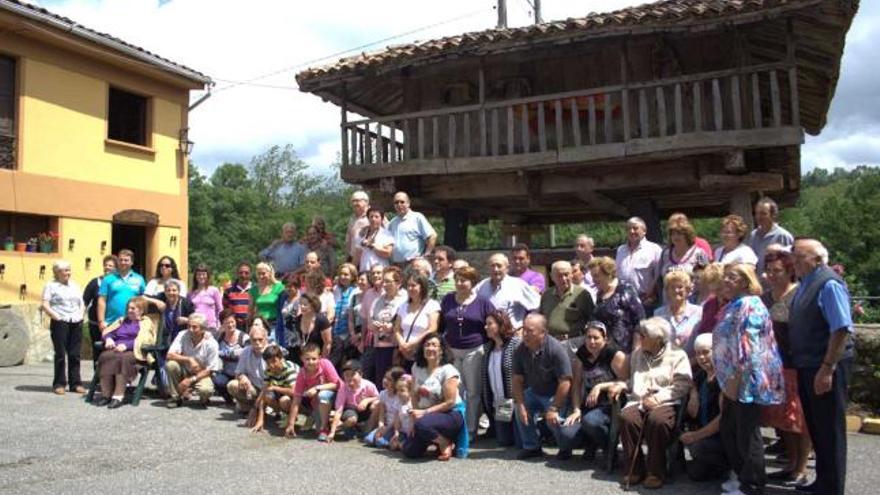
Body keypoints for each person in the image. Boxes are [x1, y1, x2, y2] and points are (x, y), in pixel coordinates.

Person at [789, 239, 854, 495]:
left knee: (830, 429)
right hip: (809, 365)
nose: (793, 260)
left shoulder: (828, 284)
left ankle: (833, 488)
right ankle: (823, 483)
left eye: (798, 256)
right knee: (817, 427)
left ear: (817, 259)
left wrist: (827, 368)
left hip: (824, 366)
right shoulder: (806, 283)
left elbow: (840, 328)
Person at [713, 263, 784, 495]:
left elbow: (749, 347)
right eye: (725, 276)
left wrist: (735, 380)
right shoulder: (734, 304)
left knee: (746, 432)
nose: (726, 280)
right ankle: (743, 477)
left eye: (732, 277)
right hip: (733, 380)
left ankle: (753, 485)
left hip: (746, 381)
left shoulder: (750, 305)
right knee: (730, 429)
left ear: (745, 281)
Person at [616, 317, 692, 489]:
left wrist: (659, 398)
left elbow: (683, 384)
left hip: (666, 401)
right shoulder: (637, 354)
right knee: (627, 418)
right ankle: (635, 469)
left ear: (657, 339)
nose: (639, 338)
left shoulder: (678, 355)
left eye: (644, 336)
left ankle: (656, 471)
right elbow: (632, 382)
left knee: (657, 421)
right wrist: (619, 385)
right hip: (639, 400)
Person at [761, 250, 810, 486]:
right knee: (783, 421)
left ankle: (801, 468)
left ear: (790, 270)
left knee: (799, 420)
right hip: (774, 366)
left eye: (777, 271)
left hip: (797, 365)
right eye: (769, 271)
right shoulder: (765, 297)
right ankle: (790, 464)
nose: (772, 275)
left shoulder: (799, 295)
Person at [555, 321, 626, 460]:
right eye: (588, 337)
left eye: (596, 338)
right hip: (589, 404)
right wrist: (576, 409)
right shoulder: (582, 354)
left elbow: (627, 382)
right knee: (566, 434)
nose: (592, 342)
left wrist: (600, 386)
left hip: (612, 404)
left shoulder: (615, 355)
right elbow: (576, 384)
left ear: (605, 339)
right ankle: (590, 444)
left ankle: (609, 449)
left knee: (590, 421)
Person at [440, 266, 495, 436]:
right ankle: (456, 426)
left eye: (463, 280)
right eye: (457, 280)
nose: (459, 283)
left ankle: (470, 429)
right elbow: (443, 323)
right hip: (453, 351)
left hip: (474, 350)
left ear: (473, 282)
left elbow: (493, 321)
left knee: (472, 392)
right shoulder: (448, 299)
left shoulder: (482, 301)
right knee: (456, 391)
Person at [511, 314, 573, 460]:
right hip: (535, 391)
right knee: (520, 407)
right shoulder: (521, 350)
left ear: (543, 333)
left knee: (554, 420)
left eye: (530, 331)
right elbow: (517, 380)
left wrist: (553, 408)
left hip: (556, 394)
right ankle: (532, 446)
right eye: (523, 329)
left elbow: (565, 382)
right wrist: (520, 404)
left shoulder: (556, 350)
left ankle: (565, 448)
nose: (525, 334)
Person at [403, 334, 467, 460]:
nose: (430, 348)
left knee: (422, 424)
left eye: (434, 345)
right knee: (409, 451)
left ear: (441, 350)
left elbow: (450, 402)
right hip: (426, 416)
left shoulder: (448, 370)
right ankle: (433, 439)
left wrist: (424, 413)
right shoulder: (416, 367)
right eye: (427, 345)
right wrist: (413, 418)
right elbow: (414, 394)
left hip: (450, 414)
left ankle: (444, 442)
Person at [680, 333, 728, 482]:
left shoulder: (724, 378)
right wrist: (694, 394)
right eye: (698, 353)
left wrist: (696, 435)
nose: (701, 358)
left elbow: (723, 419)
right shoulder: (702, 375)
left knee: (697, 447)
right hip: (705, 432)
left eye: (706, 352)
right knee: (695, 474)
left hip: (723, 437)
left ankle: (729, 467)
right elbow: (691, 383)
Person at [95, 297, 157, 408]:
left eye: (133, 308)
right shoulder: (122, 320)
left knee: (123, 359)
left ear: (141, 310)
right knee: (105, 357)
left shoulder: (145, 323)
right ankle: (106, 395)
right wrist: (109, 339)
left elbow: (145, 340)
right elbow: (108, 332)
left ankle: (118, 396)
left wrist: (127, 345)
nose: (129, 310)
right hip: (116, 349)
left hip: (135, 352)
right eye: (128, 308)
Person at [42, 260, 85, 395]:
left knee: (75, 354)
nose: (68, 273)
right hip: (60, 321)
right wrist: (56, 317)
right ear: (57, 272)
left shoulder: (75, 286)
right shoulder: (51, 286)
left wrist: (81, 315)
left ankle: (75, 383)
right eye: (65, 270)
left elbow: (81, 302)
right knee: (60, 354)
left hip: (76, 321)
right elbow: (45, 304)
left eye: (69, 270)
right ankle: (59, 384)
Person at [481, 310, 522, 447]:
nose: (486, 327)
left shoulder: (516, 344)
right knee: (504, 441)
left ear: (500, 325)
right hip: (501, 403)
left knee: (520, 442)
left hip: (517, 401)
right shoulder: (488, 349)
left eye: (489, 324)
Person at [284, 343, 341, 442]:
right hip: (318, 404)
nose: (311, 362)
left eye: (314, 359)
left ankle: (325, 429)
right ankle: (331, 422)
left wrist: (317, 388)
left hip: (336, 398)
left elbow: (337, 385)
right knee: (317, 429)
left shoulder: (325, 364)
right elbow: (296, 399)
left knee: (322, 394)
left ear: (319, 358)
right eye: (307, 359)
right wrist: (291, 424)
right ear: (302, 359)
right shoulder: (302, 374)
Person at [588, 256, 645, 353]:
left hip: (625, 349)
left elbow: (640, 320)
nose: (593, 280)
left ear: (608, 274)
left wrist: (636, 349)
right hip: (605, 350)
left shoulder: (625, 290)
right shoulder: (600, 294)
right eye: (592, 276)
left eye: (596, 275)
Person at [165, 313, 221, 408]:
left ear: (203, 329)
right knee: (171, 365)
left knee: (206, 390)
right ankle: (175, 398)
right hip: (185, 369)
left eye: (195, 327)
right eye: (189, 326)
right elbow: (169, 355)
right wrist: (189, 359)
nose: (190, 329)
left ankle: (203, 398)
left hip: (201, 373)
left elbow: (211, 370)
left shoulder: (212, 344)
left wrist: (191, 380)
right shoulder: (182, 334)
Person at [475, 253, 539, 330]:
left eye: (499, 266)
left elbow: (537, 306)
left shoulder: (518, 285)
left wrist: (525, 327)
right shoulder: (481, 286)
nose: (495, 269)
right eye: (492, 266)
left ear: (507, 268)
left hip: (513, 335)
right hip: (488, 335)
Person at [367, 266, 407, 384]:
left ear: (398, 283)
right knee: (383, 381)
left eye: (388, 282)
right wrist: (374, 325)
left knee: (397, 381)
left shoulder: (405, 299)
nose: (384, 284)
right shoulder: (378, 300)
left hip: (397, 348)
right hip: (380, 346)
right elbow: (370, 322)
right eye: (384, 281)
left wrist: (393, 327)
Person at [248, 344, 299, 433]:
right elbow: (263, 392)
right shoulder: (269, 371)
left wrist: (275, 388)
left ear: (281, 358)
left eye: (274, 361)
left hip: (301, 398)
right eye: (268, 363)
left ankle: (294, 417)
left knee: (284, 400)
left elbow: (295, 392)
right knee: (266, 396)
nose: (271, 365)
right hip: (284, 394)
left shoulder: (289, 369)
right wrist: (255, 410)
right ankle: (282, 416)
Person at [539, 260, 594, 342]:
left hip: (574, 342)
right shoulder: (547, 295)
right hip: (550, 341)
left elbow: (592, 320)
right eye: (559, 275)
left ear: (571, 274)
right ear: (552, 277)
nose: (563, 279)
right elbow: (541, 317)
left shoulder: (582, 294)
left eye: (566, 274)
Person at [394, 274, 441, 369]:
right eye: (408, 285)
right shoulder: (403, 306)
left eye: (414, 285)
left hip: (422, 352)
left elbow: (432, 328)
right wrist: (402, 344)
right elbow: (397, 329)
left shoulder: (432, 305)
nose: (410, 288)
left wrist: (413, 344)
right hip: (404, 352)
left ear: (422, 287)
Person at [615, 217, 662, 308]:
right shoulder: (620, 250)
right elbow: (616, 274)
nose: (632, 231)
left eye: (635, 228)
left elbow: (658, 276)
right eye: (628, 229)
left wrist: (651, 294)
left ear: (644, 231)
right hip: (623, 300)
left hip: (645, 300)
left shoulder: (654, 249)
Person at [328, 360, 379, 441]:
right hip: (350, 411)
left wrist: (367, 400)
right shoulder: (343, 388)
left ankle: (367, 429)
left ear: (361, 375)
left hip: (364, 411)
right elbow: (339, 411)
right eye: (346, 375)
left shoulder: (369, 385)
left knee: (376, 404)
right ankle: (341, 428)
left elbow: (379, 397)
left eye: (353, 374)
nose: (349, 378)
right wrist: (332, 432)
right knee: (351, 421)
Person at [654, 271, 703, 356]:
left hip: (694, 363)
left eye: (680, 287)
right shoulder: (658, 314)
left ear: (687, 290)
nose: (676, 290)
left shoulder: (699, 312)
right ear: (667, 291)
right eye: (672, 287)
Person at [97, 249, 146, 331]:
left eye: (126, 260)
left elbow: (143, 300)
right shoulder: (108, 279)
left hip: (132, 323)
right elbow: (102, 301)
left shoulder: (139, 279)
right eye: (121, 260)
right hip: (111, 323)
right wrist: (101, 321)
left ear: (132, 262)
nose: (123, 262)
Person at [227, 322, 270, 415]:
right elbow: (238, 372)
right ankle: (248, 406)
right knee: (232, 385)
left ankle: (263, 408)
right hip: (253, 387)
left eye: (260, 339)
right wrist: (243, 378)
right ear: (250, 340)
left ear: (266, 339)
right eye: (254, 340)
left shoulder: (272, 352)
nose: (257, 343)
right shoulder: (246, 351)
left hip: (270, 390)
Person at [83, 255, 117, 363]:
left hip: (113, 323)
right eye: (106, 265)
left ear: (116, 268)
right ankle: (97, 377)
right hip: (96, 323)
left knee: (112, 349)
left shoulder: (118, 283)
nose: (107, 267)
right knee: (98, 349)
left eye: (110, 266)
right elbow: (85, 301)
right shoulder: (95, 282)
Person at [658, 217, 710, 289]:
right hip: (668, 298)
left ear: (687, 235)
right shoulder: (665, 253)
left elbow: (707, 276)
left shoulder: (700, 253)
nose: (676, 237)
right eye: (673, 234)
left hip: (692, 298)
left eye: (679, 234)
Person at [387, 191, 437, 265]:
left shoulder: (417, 217)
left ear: (408, 203)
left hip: (413, 264)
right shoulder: (392, 222)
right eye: (396, 202)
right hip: (396, 264)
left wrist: (426, 255)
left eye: (402, 202)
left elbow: (432, 236)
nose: (399, 204)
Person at [748, 197, 794, 274]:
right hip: (758, 283)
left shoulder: (783, 236)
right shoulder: (753, 235)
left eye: (763, 214)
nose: (759, 217)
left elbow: (791, 262)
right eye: (757, 213)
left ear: (773, 215)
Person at [364, 366, 407, 448]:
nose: (385, 381)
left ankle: (399, 440)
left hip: (396, 427)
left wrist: (386, 429)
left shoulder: (399, 397)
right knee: (368, 440)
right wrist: (381, 425)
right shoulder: (383, 394)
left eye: (389, 380)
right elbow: (382, 413)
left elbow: (397, 417)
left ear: (396, 382)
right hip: (386, 425)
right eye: (385, 377)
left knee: (380, 443)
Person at [213, 309, 250, 404]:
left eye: (232, 322)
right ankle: (228, 398)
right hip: (226, 372)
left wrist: (223, 353)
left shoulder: (244, 337)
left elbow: (246, 352)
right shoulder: (219, 337)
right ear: (222, 324)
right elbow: (212, 351)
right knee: (217, 380)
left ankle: (243, 400)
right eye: (226, 323)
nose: (230, 325)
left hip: (242, 373)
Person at [359, 265, 386, 382]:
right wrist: (361, 341)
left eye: (379, 273)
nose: (376, 275)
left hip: (385, 339)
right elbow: (364, 319)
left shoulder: (390, 292)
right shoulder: (368, 293)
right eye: (373, 273)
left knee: (382, 374)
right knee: (364, 372)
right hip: (370, 339)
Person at [149, 280, 194, 346]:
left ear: (179, 292)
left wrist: (187, 320)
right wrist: (156, 301)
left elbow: (197, 320)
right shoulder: (161, 298)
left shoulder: (186, 303)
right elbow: (142, 298)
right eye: (168, 290)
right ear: (165, 292)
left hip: (182, 339)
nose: (171, 293)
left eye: (174, 290)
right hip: (163, 340)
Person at [331, 263, 358, 364]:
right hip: (335, 331)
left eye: (346, 275)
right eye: (341, 274)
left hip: (348, 332)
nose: (343, 277)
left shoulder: (356, 291)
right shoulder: (335, 290)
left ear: (352, 277)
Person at [249, 262, 285, 335]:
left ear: (270, 273)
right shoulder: (253, 290)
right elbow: (250, 310)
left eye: (263, 273)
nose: (261, 276)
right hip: (260, 324)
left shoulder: (279, 287)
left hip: (275, 323)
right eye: (258, 273)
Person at [354, 206, 393, 273]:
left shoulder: (387, 234)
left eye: (376, 217)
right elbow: (357, 255)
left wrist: (372, 246)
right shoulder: (361, 234)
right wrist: (352, 270)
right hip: (364, 271)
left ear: (382, 218)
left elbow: (388, 253)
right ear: (368, 218)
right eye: (371, 216)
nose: (373, 219)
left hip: (380, 272)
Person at [189, 264, 223, 336]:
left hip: (211, 327)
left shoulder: (214, 290)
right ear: (195, 276)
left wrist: (219, 325)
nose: (201, 277)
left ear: (207, 276)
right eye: (199, 274)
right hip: (196, 327)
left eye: (204, 274)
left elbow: (220, 309)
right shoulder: (190, 293)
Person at [694, 262, 727, 336]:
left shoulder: (734, 304)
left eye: (719, 289)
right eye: (713, 290)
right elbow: (702, 331)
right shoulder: (708, 305)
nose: (718, 294)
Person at [223, 261, 253, 329]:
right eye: (241, 273)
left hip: (252, 325)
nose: (243, 275)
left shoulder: (255, 289)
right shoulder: (229, 290)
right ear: (237, 274)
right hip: (234, 326)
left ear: (250, 274)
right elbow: (225, 309)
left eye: (246, 273)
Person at [390, 375, 416, 451]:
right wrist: (396, 432)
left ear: (410, 391)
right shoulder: (398, 402)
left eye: (402, 390)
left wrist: (410, 433)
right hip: (403, 431)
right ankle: (401, 443)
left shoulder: (412, 403)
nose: (398, 393)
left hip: (411, 432)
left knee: (405, 447)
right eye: (397, 390)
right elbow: (397, 419)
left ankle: (405, 444)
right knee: (392, 446)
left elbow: (413, 419)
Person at [345, 190, 371, 261]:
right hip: (352, 257)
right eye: (353, 201)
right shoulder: (352, 219)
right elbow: (349, 239)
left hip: (367, 258)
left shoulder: (374, 215)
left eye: (357, 201)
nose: (355, 203)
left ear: (366, 202)